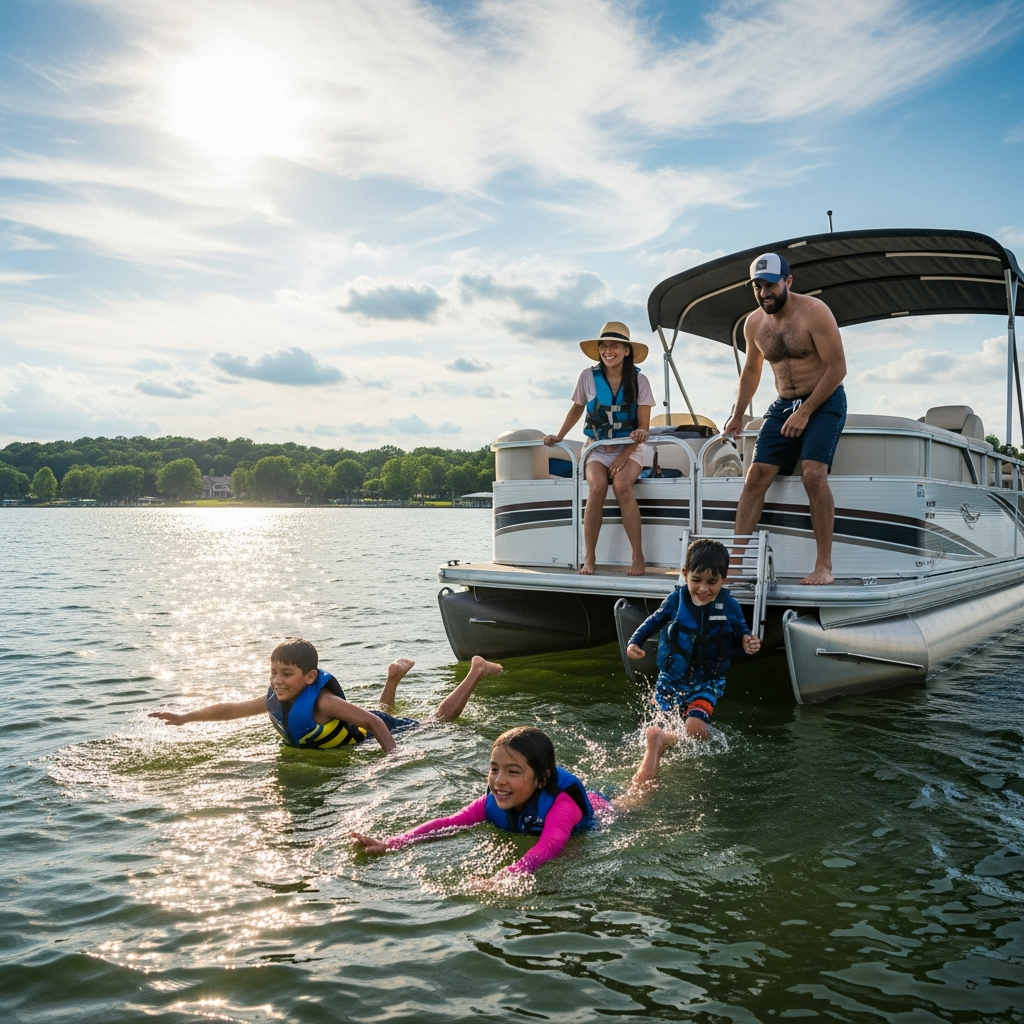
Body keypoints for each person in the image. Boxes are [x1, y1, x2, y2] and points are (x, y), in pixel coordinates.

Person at [351, 724, 677, 875]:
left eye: (512, 772)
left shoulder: (562, 806)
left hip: (601, 813)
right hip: (539, 815)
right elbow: (446, 824)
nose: (499, 781)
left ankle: (654, 747)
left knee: (636, 798)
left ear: (541, 779)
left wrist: (511, 874)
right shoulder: (491, 802)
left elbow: (549, 845)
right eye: (494, 769)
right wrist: (393, 843)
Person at [723, 252, 848, 585]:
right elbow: (752, 370)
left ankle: (824, 566)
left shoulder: (815, 313)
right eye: (758, 286)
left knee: (812, 474)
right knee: (755, 477)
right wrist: (737, 415)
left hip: (824, 400)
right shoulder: (754, 324)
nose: (765, 293)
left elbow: (838, 369)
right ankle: (736, 563)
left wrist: (806, 412)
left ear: (788, 281)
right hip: (784, 403)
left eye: (771, 285)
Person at [148, 638, 502, 752]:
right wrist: (184, 718)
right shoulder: (277, 699)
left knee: (435, 723)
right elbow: (231, 710)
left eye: (286, 674)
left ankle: (475, 671)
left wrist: (393, 757)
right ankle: (393, 678)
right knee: (369, 713)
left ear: (310, 677)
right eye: (273, 672)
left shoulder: (323, 702)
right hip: (359, 727)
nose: (277, 681)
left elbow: (375, 722)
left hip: (382, 730)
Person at [543, 321, 657, 576]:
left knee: (621, 485)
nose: (608, 351)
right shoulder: (587, 376)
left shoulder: (640, 380)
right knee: (596, 487)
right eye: (603, 346)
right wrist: (559, 435)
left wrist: (625, 454)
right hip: (597, 446)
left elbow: (643, 428)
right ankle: (590, 558)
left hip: (630, 447)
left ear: (626, 350)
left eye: (614, 346)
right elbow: (577, 408)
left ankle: (638, 556)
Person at [626, 539, 761, 740]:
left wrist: (748, 643)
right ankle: (663, 744)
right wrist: (635, 641)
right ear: (684, 574)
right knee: (660, 724)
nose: (703, 589)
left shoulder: (730, 606)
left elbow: (742, 632)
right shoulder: (675, 601)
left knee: (695, 726)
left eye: (711, 582)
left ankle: (679, 741)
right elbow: (654, 621)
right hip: (671, 678)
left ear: (724, 580)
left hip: (708, 681)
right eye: (696, 580)